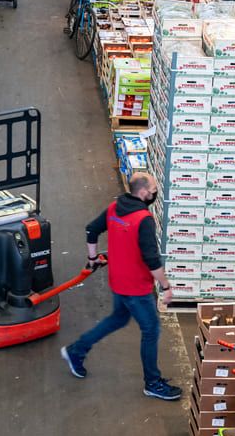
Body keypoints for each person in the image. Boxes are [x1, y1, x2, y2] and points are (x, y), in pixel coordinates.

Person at [59, 172, 181, 401]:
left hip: (118, 281)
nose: (155, 191)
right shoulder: (143, 219)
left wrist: (92, 258)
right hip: (136, 288)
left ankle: (76, 351)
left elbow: (91, 229)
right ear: (144, 192)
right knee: (151, 330)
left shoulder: (115, 207)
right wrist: (166, 287)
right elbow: (152, 260)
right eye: (153, 188)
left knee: (117, 319)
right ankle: (152, 383)